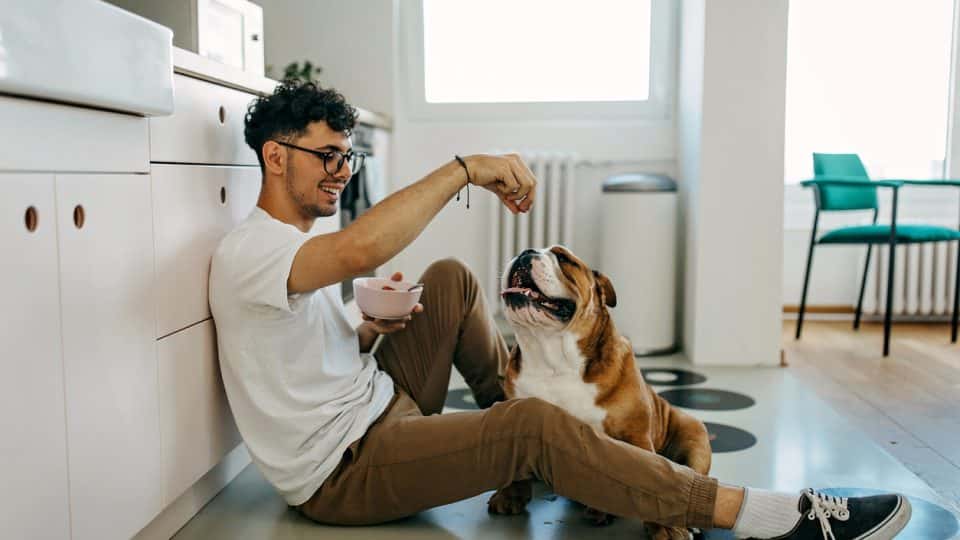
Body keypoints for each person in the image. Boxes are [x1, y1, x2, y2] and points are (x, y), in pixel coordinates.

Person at [208, 80, 911, 540]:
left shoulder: (294, 244)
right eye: (328, 156)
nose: (341, 171)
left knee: (451, 279)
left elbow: (301, 344)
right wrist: (466, 169)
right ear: (276, 157)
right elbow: (362, 250)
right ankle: (760, 515)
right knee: (534, 426)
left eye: (346, 159)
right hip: (346, 470)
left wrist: (365, 330)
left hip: (380, 404)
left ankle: (516, 442)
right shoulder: (251, 253)